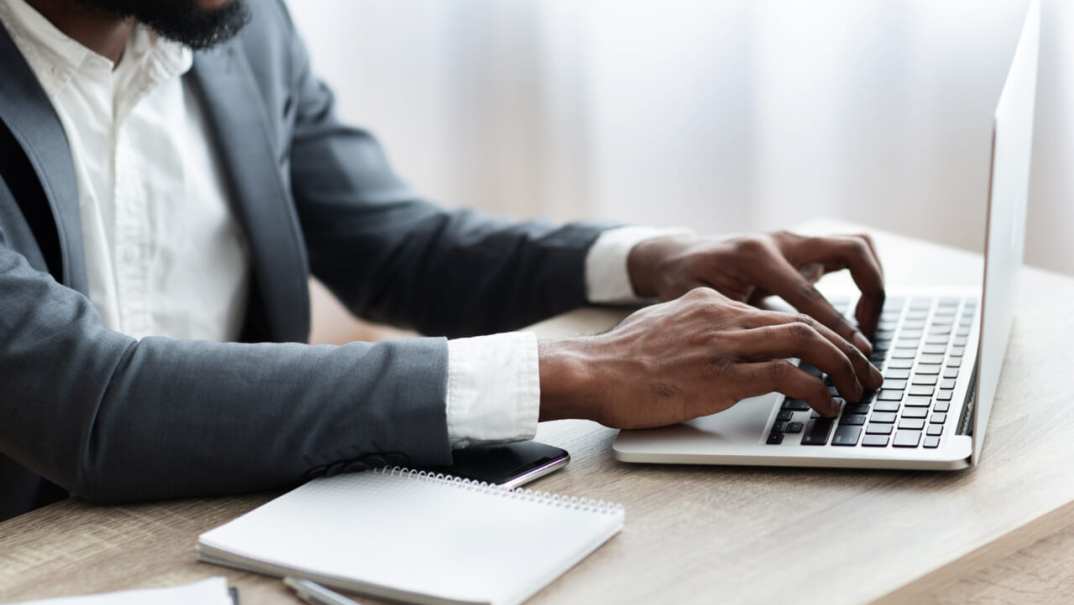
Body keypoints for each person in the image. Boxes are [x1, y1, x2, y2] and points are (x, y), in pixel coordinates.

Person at [0, 0, 885, 521]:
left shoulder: (238, 26)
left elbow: (394, 246)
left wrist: (648, 259)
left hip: (241, 519)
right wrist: (577, 370)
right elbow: (94, 399)